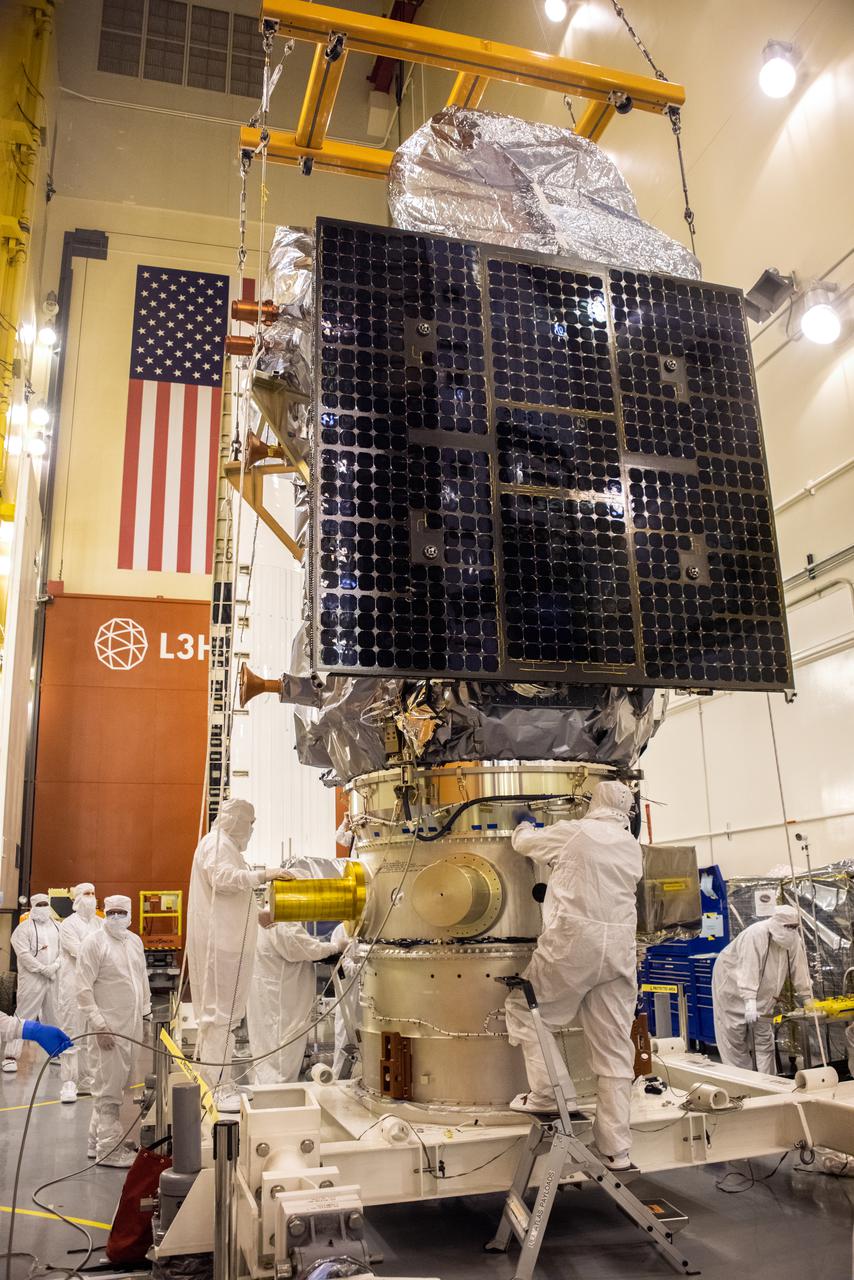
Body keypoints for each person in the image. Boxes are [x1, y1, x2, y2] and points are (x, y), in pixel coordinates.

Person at [503, 779, 643, 1172]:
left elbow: (525, 845)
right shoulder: (632, 847)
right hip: (617, 950)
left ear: (592, 802)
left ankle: (551, 1094)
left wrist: (524, 825)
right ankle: (617, 1150)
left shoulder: (577, 832)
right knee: (616, 1049)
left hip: (573, 944)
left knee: (524, 1008)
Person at [186, 799, 286, 1107]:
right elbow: (223, 880)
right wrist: (265, 874)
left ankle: (222, 1082)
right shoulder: (216, 843)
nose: (252, 829)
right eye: (250, 823)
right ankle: (215, 1089)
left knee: (226, 1018)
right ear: (237, 821)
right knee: (219, 1017)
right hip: (220, 947)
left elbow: (230, 898)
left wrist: (258, 915)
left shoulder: (224, 845)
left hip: (229, 943)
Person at [76, 895, 151, 1167]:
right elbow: (83, 990)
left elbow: (141, 980)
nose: (117, 917)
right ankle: (109, 1151)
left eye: (122, 912)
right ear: (105, 914)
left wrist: (145, 1014)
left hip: (130, 1026)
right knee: (109, 1088)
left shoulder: (134, 941)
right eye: (112, 913)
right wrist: (99, 1026)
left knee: (115, 1082)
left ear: (130, 914)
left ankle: (96, 1140)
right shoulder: (94, 943)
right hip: (108, 1028)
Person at [712, 905, 811, 1074]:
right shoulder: (756, 934)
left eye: (795, 927)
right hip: (732, 988)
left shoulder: (793, 940)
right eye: (788, 927)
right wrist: (749, 1002)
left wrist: (807, 997)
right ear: (776, 923)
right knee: (734, 1040)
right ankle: (741, 1084)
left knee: (764, 1039)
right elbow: (748, 968)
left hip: (764, 996)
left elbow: (799, 968)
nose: (791, 931)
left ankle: (767, 1083)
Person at [246, 914, 344, 1084]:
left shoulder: (266, 915)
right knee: (281, 1059)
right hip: (282, 1004)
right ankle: (278, 1102)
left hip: (271, 997)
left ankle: (269, 1096)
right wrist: (336, 946)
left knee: (269, 1056)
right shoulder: (278, 915)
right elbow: (299, 947)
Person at [2, 894, 64, 1074]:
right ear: (33, 907)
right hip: (32, 980)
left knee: (54, 1015)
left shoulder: (58, 927)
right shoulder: (23, 929)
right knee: (24, 1015)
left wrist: (54, 966)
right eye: (40, 904)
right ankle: (10, 1056)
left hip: (53, 978)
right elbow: (23, 955)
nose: (43, 907)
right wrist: (43, 969)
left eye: (46, 904)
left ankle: (56, 1052)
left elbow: (63, 951)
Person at [57, 882, 103, 1103]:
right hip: (73, 986)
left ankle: (86, 1078)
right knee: (71, 1033)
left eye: (93, 894)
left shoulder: (100, 923)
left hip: (94, 986)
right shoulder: (68, 925)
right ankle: (69, 1082)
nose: (91, 898)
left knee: (91, 1034)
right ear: (77, 898)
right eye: (86, 894)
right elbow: (78, 951)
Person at [330, 922, 360, 1079]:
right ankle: (337, 1077)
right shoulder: (341, 930)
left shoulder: (373, 928)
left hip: (370, 998)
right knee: (344, 1038)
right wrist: (366, 963)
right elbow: (346, 968)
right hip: (348, 995)